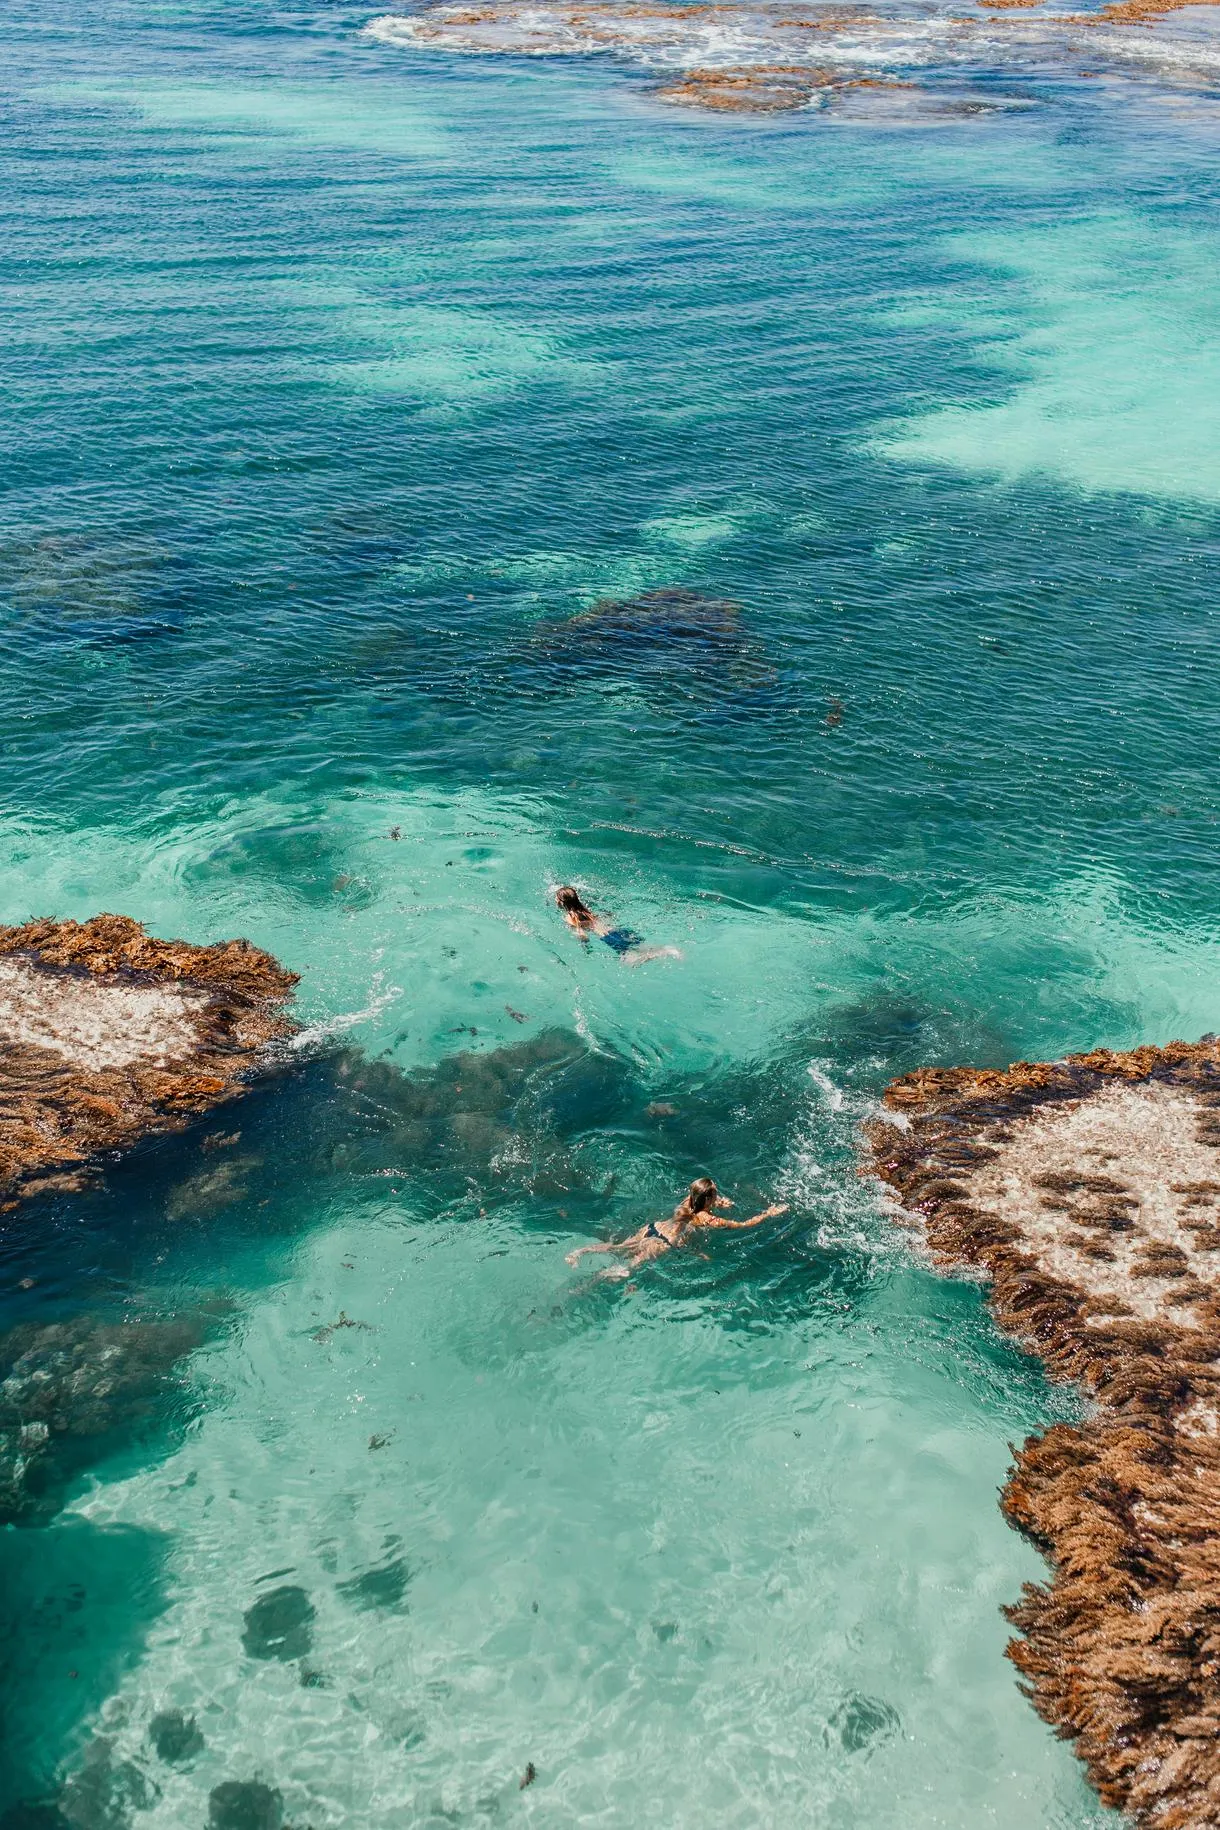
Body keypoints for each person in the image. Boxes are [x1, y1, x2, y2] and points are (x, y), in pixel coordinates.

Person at [566, 1177, 788, 1270]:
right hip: (665, 1242)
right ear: (708, 1200)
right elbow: (745, 1225)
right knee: (628, 1268)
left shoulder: (688, 1200)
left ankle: (579, 1252)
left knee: (618, 1247)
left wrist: (719, 1202)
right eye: (715, 1195)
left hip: (653, 1228)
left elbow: (700, 1203)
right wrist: (768, 1213)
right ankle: (587, 1286)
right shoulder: (708, 1219)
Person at [554, 886, 680, 965]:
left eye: (556, 898)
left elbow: (583, 935)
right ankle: (666, 949)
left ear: (561, 902)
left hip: (609, 937)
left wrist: (585, 947)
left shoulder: (570, 917)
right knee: (641, 947)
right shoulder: (585, 910)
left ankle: (663, 952)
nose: (555, 900)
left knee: (630, 962)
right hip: (618, 930)